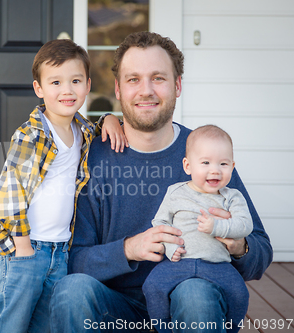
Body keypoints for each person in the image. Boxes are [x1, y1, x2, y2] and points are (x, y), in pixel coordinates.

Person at [50, 31, 272, 333]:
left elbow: (260, 252)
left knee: (194, 293)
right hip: (118, 309)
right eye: (133, 80)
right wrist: (129, 248)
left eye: (158, 78)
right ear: (117, 89)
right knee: (72, 291)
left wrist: (237, 245)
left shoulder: (206, 155)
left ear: (177, 85)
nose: (146, 90)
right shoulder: (94, 158)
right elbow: (75, 260)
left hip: (189, 303)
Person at [0, 39, 127, 333]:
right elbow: (9, 190)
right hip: (28, 247)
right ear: (39, 89)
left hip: (61, 249)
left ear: (88, 85)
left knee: (45, 323)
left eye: (75, 81)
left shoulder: (82, 131)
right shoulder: (31, 135)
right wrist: (23, 246)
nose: (67, 90)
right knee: (13, 322)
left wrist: (111, 119)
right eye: (55, 82)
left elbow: (100, 126)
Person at [142, 125, 253, 333]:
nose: (215, 170)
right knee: (152, 286)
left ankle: (229, 329)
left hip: (217, 264)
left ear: (232, 166)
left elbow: (245, 225)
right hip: (179, 262)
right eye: (205, 163)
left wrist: (217, 226)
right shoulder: (175, 192)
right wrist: (168, 247)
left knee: (240, 294)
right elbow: (160, 222)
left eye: (223, 163)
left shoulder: (232, 196)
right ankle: (161, 328)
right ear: (188, 166)